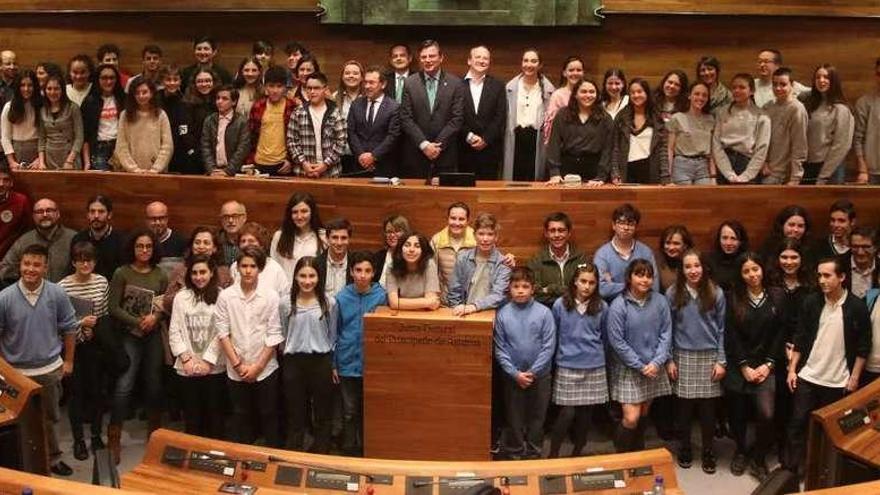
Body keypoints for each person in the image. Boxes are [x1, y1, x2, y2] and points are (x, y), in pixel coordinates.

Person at [784, 257, 870, 476]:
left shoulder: (856, 307)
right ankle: (790, 470)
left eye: (827, 275)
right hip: (808, 375)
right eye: (819, 275)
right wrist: (793, 369)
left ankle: (820, 471)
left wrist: (855, 378)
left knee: (828, 430)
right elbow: (801, 338)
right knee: (797, 422)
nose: (821, 280)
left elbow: (863, 346)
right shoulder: (811, 302)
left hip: (837, 380)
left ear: (841, 277)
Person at [0, 244, 78, 476]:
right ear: (20, 265)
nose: (30, 269)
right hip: (16, 375)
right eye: (26, 264)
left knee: (51, 418)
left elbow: (70, 328)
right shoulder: (4, 297)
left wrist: (69, 361)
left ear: (45, 267)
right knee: (15, 422)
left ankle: (53, 459)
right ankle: (24, 462)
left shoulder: (57, 293)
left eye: (36, 264)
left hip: (49, 369)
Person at [107, 229, 168, 464]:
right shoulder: (121, 273)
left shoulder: (161, 274)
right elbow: (113, 307)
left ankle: (155, 434)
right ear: (132, 248)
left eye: (148, 247)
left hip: (152, 335)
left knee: (154, 384)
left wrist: (155, 318)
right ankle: (114, 435)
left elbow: (162, 306)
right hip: (129, 335)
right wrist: (138, 322)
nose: (144, 250)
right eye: (139, 246)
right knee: (124, 385)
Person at [723, 252, 785, 479]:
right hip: (739, 365)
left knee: (767, 414)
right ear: (740, 274)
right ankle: (740, 451)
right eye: (746, 271)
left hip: (766, 364)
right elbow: (731, 335)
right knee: (737, 413)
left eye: (755, 269)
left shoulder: (777, 295)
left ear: (762, 269)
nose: (752, 275)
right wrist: (743, 366)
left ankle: (758, 458)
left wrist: (769, 364)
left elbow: (781, 333)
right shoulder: (732, 297)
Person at [215, 246, 284, 447]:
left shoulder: (271, 296)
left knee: (269, 414)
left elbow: (274, 334)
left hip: (265, 368)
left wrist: (257, 367)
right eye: (243, 266)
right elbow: (222, 333)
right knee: (240, 415)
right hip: (236, 368)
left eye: (252, 266)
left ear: (259, 269)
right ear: (237, 268)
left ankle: (273, 458)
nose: (247, 270)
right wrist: (238, 365)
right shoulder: (226, 296)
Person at [666, 249, 726, 474]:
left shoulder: (716, 293)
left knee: (708, 410)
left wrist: (721, 360)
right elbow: (668, 328)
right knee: (684, 409)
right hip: (682, 355)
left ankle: (708, 449)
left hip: (709, 356)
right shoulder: (673, 293)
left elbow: (722, 329)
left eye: (697, 266)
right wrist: (669, 359)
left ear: (704, 267)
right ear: (682, 270)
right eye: (688, 266)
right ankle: (685, 447)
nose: (693, 270)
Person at [607, 259, 672, 452]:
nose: (644, 280)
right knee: (631, 417)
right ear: (629, 277)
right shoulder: (619, 305)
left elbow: (666, 333)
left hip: (653, 366)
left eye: (649, 276)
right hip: (629, 368)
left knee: (644, 412)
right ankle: (621, 457)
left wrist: (657, 362)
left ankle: (638, 452)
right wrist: (639, 365)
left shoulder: (660, 301)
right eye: (639, 275)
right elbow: (617, 341)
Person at [494, 266, 556, 459]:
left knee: (537, 417)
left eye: (525, 286)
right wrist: (515, 374)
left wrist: (533, 372)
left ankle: (534, 452)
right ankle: (515, 451)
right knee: (514, 417)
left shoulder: (545, 313)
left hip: (540, 376)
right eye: (516, 286)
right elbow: (500, 348)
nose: (520, 290)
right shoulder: (503, 314)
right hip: (513, 377)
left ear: (533, 289)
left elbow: (549, 346)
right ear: (509, 289)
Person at [548, 263, 608, 458]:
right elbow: (554, 334)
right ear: (575, 281)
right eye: (583, 281)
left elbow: (605, 337)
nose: (586, 286)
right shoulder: (560, 305)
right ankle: (553, 454)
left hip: (593, 365)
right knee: (567, 413)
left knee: (586, 415)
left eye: (591, 282)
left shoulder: (601, 306)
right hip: (568, 364)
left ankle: (577, 453)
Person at [58, 241, 110, 460]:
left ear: (94, 262)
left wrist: (94, 328)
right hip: (73, 347)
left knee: (97, 393)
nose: (85, 264)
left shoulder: (101, 282)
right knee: (76, 395)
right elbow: (58, 322)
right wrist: (81, 323)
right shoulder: (62, 287)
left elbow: (105, 315)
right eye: (80, 260)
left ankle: (97, 435)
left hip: (95, 345)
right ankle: (79, 440)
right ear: (73, 262)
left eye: (88, 259)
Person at [280, 256, 338, 453]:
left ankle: (322, 452)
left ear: (319, 277)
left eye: (312, 276)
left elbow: (332, 333)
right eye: (302, 276)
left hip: (321, 361)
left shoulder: (328, 303)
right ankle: (295, 453)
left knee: (322, 412)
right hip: (293, 362)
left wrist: (331, 362)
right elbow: (284, 332)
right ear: (295, 277)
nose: (307, 281)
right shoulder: (285, 304)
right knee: (295, 412)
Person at [335, 251, 387, 456]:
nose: (362, 275)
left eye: (367, 271)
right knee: (349, 411)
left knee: (370, 410)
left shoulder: (381, 296)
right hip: (347, 361)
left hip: (372, 363)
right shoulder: (340, 297)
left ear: (374, 273)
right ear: (351, 272)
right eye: (358, 270)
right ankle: (349, 448)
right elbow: (334, 332)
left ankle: (368, 448)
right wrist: (333, 363)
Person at [168, 254, 225, 439]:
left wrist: (208, 361)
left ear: (211, 273)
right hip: (188, 367)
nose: (199, 277)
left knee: (215, 417)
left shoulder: (222, 295)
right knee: (192, 418)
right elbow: (174, 331)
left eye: (203, 272)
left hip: (214, 367)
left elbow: (222, 332)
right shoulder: (181, 297)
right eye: (194, 273)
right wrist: (186, 359)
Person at [399, 39, 464, 179]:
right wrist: (424, 145)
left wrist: (437, 146)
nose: (427, 60)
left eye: (432, 56)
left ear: (441, 58)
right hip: (417, 155)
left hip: (445, 156)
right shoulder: (410, 83)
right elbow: (405, 118)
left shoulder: (455, 83)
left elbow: (457, 118)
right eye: (424, 57)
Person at [546, 79, 614, 185]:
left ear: (597, 95)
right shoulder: (562, 115)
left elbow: (608, 150)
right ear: (575, 94)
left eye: (592, 92)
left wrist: (601, 176)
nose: (588, 95)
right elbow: (554, 144)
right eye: (583, 91)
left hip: (594, 171)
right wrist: (554, 173)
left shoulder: (605, 118)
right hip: (566, 169)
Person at [503, 49, 555, 181]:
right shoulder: (510, 87)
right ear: (521, 63)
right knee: (513, 180)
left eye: (534, 61)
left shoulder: (549, 90)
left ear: (540, 65)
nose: (529, 64)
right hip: (515, 138)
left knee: (535, 179)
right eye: (526, 60)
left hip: (536, 139)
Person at [447, 212, 511, 315]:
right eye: (481, 234)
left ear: (496, 237)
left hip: (492, 314)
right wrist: (458, 309)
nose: (485, 239)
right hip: (464, 313)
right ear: (474, 235)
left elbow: (498, 295)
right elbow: (454, 290)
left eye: (490, 234)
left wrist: (474, 307)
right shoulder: (463, 258)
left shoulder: (503, 263)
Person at [712, 73, 770, 184]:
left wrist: (747, 176)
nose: (737, 90)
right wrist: (728, 173)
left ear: (752, 91)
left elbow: (762, 149)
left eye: (742, 87)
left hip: (747, 163)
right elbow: (716, 144)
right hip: (725, 163)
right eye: (734, 87)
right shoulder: (722, 112)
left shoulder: (762, 116)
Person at [0, 197, 75, 283]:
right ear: (33, 217)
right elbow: (5, 268)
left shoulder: (73, 238)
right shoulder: (23, 241)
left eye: (49, 210)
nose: (45, 215)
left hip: (64, 293)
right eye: (39, 212)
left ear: (58, 214)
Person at [459, 45, 507, 180]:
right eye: (478, 57)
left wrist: (485, 139)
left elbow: (500, 117)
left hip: (489, 150)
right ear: (469, 60)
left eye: (485, 58)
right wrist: (469, 136)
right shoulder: (457, 85)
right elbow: (455, 116)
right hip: (463, 149)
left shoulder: (498, 86)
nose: (482, 61)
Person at [595, 203, 659, 302]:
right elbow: (601, 289)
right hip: (613, 308)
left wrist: (614, 286)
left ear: (636, 227)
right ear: (613, 225)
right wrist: (637, 285)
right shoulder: (602, 254)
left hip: (643, 305)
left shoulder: (646, 252)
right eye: (621, 223)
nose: (626, 227)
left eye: (630, 224)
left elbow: (654, 287)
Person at [162, 226, 233, 314]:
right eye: (197, 242)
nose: (201, 246)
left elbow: (232, 303)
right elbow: (166, 303)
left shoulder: (224, 272)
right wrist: (186, 293)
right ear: (192, 246)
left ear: (214, 248)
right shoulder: (180, 269)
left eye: (206, 243)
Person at [609, 78, 668, 184]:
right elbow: (615, 147)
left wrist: (665, 176)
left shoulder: (656, 117)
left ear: (647, 93)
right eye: (632, 93)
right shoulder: (622, 116)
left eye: (640, 91)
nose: (636, 95)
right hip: (627, 170)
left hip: (650, 169)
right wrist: (615, 172)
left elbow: (662, 149)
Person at [287, 72, 346, 179]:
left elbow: (341, 142)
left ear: (325, 89)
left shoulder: (335, 112)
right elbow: (292, 141)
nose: (312, 92)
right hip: (303, 172)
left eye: (316, 88)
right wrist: (304, 163)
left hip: (330, 172)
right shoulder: (298, 112)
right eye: (309, 88)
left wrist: (325, 164)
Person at [803, 64, 854, 185]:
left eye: (826, 77)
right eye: (818, 77)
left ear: (834, 81)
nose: (821, 81)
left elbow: (841, 145)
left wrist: (824, 175)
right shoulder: (811, 105)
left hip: (831, 168)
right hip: (810, 164)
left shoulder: (841, 110)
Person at [347, 66, 401, 178]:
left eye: (371, 83)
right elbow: (351, 132)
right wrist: (361, 155)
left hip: (383, 166)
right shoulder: (356, 104)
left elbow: (393, 136)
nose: (367, 86)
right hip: (358, 164)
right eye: (365, 82)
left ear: (383, 84)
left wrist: (373, 156)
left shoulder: (394, 107)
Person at [528, 211, 587, 307]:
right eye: (552, 231)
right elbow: (535, 294)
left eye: (561, 230)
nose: (556, 235)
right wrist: (568, 290)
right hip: (547, 310)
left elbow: (585, 290)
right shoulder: (536, 260)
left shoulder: (581, 258)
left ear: (569, 233)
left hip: (575, 308)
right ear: (546, 234)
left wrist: (549, 289)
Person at [113, 79, 173, 173]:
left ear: (152, 93)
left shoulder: (161, 114)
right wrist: (134, 169)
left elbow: (167, 145)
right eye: (137, 93)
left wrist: (155, 169)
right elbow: (121, 146)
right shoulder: (125, 115)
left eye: (144, 92)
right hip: (130, 172)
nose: (141, 96)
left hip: (156, 172)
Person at [762, 67, 808, 185]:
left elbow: (799, 145)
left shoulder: (797, 109)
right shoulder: (768, 107)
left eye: (783, 84)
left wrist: (795, 178)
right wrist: (763, 163)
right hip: (763, 168)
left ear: (791, 85)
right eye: (775, 84)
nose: (778, 88)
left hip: (781, 173)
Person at [247, 66, 295, 176]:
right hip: (259, 163)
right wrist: (250, 161)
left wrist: (291, 160)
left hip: (283, 164)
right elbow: (251, 136)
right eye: (271, 86)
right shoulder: (258, 106)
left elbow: (297, 138)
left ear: (285, 88)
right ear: (265, 87)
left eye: (279, 86)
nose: (275, 91)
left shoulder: (292, 107)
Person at [667, 82, 715, 185]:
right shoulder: (677, 117)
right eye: (697, 94)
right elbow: (670, 149)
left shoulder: (710, 119)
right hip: (682, 164)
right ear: (690, 96)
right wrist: (668, 176)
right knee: (684, 199)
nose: (700, 98)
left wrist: (713, 176)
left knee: (704, 199)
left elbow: (711, 151)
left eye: (704, 95)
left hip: (702, 166)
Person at [270, 192, 325, 281]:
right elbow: (274, 268)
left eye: (304, 211)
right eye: (295, 212)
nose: (299, 216)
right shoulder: (279, 236)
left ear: (312, 212)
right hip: (286, 292)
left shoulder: (323, 237)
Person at [81, 64, 125, 171]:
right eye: (104, 78)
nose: (108, 81)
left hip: (120, 147)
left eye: (111, 78)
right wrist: (86, 162)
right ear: (98, 79)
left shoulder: (124, 99)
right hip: (99, 149)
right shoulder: (89, 102)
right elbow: (85, 135)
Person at [70, 195, 125, 280]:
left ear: (109, 215)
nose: (96, 216)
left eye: (101, 212)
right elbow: (72, 270)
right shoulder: (78, 239)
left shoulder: (121, 240)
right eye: (92, 212)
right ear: (88, 215)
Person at [201, 84, 251, 176]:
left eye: (224, 99)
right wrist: (211, 169)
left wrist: (228, 171)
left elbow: (242, 148)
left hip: (234, 172)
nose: (219, 101)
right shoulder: (209, 120)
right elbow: (205, 146)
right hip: (213, 171)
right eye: (218, 98)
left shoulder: (241, 121)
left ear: (234, 102)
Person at [432, 202, 476, 303]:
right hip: (445, 301)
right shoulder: (437, 240)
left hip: (472, 301)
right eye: (453, 218)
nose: (456, 223)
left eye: (461, 219)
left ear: (468, 221)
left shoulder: (477, 240)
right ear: (447, 219)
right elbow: (432, 273)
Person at [232, 222, 290, 298]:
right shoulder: (234, 267)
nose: (246, 244)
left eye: (251, 241)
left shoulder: (275, 268)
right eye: (243, 241)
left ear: (261, 244)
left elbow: (284, 298)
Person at [159, 65, 198, 176]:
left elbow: (185, 128)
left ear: (180, 81)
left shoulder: (186, 102)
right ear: (162, 81)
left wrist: (190, 150)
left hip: (179, 150)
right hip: (159, 148)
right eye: (168, 79)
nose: (172, 83)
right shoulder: (155, 100)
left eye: (175, 79)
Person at [38, 73, 83, 169]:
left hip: (70, 158)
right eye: (49, 89)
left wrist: (70, 160)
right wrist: (41, 162)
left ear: (62, 90)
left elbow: (79, 137)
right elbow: (42, 138)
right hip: (49, 159)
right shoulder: (42, 110)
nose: (52, 92)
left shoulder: (73, 108)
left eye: (56, 88)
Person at [386, 232, 440, 310]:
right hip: (399, 316)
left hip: (425, 315)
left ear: (423, 250)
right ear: (400, 248)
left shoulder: (429, 265)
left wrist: (401, 303)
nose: (411, 250)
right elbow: (394, 303)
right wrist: (426, 302)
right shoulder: (392, 267)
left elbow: (432, 304)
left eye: (417, 246)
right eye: (407, 245)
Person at [1, 70, 41, 169]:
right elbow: (5, 137)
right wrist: (11, 162)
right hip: (16, 151)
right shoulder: (9, 107)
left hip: (37, 149)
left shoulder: (41, 106)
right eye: (22, 85)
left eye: (30, 85)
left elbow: (46, 135)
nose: (26, 89)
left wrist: (39, 159)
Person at [180, 68, 217, 175]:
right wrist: (192, 151)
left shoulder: (219, 102)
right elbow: (183, 130)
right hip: (194, 157)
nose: (204, 84)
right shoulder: (186, 104)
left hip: (216, 157)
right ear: (194, 84)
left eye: (208, 81)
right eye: (200, 81)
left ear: (214, 82)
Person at [542, 56, 584, 145]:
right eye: (571, 70)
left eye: (578, 70)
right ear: (564, 73)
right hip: (564, 145)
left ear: (583, 73)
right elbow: (550, 126)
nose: (575, 73)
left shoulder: (588, 94)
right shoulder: (557, 95)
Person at [333, 60, 363, 176]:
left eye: (355, 73)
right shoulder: (334, 97)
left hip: (362, 154)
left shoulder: (368, 98)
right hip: (340, 154)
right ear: (342, 77)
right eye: (347, 73)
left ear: (362, 77)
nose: (351, 76)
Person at [853, 57, 880, 184]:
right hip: (872, 172)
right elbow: (858, 138)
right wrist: (862, 169)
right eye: (879, 74)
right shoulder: (864, 103)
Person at [708, 220, 750, 292]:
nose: (728, 243)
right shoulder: (709, 261)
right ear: (719, 239)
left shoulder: (748, 261)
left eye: (733, 238)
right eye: (724, 238)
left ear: (740, 241)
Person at [809, 198, 856, 263]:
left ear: (852, 222)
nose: (835, 225)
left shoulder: (858, 247)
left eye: (841, 221)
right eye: (833, 220)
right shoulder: (818, 246)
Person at [315, 218, 352, 298]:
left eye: (344, 238)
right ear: (327, 239)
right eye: (335, 237)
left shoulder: (355, 263)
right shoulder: (316, 264)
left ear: (349, 239)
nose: (339, 243)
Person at [373, 214, 409, 286]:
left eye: (397, 231)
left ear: (405, 233)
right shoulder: (378, 256)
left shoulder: (410, 256)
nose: (392, 235)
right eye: (389, 231)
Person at [657, 224, 693, 292]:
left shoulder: (693, 261)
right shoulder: (657, 261)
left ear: (685, 245)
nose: (671, 247)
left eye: (676, 243)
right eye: (667, 243)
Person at [844, 226, 878, 299]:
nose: (860, 252)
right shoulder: (838, 265)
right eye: (855, 246)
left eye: (866, 247)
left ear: (875, 247)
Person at [218, 200, 247, 266]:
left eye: (235, 216)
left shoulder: (251, 241)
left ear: (244, 218)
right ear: (221, 220)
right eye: (226, 217)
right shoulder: (215, 241)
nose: (230, 221)